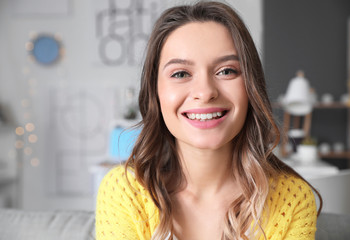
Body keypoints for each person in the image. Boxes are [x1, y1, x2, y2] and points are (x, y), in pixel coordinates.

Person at [96, 1, 322, 240]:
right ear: (155, 92)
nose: (205, 92)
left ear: (251, 87)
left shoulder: (293, 199)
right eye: (181, 74)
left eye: (226, 71)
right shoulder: (125, 191)